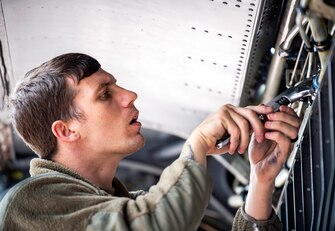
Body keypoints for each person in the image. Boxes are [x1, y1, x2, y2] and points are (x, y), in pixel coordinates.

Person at [0, 53, 300, 230]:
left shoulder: (130, 206)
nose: (129, 95)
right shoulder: (29, 207)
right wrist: (197, 143)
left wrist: (260, 180)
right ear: (66, 131)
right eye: (105, 94)